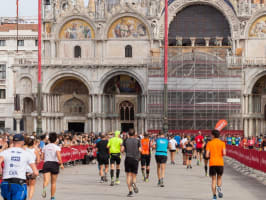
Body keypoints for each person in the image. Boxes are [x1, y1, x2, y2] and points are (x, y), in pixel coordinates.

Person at [0, 134, 39, 200]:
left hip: (5, 183)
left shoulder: (5, 152)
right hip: (19, 183)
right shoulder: (27, 154)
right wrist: (32, 176)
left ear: (13, 141)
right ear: (23, 142)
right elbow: (36, 172)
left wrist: (0, 172)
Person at [42, 132, 64, 200]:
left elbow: (42, 157)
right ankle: (52, 197)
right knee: (53, 182)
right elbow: (58, 155)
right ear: (56, 139)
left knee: (46, 180)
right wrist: (61, 164)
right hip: (54, 164)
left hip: (46, 163)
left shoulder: (45, 147)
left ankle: (44, 188)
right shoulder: (56, 147)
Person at [206, 130, 226, 200]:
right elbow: (224, 153)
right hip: (220, 163)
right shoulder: (222, 143)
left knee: (213, 180)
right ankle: (219, 188)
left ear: (213, 135)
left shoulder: (209, 143)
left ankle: (214, 196)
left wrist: (209, 156)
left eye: (211, 135)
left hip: (212, 163)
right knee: (219, 178)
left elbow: (207, 154)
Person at [122, 129, 141, 197]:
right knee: (134, 175)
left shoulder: (125, 140)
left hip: (128, 158)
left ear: (128, 134)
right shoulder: (138, 140)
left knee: (128, 175)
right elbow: (140, 150)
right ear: (134, 134)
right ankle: (134, 183)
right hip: (135, 159)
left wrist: (124, 151)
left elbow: (122, 150)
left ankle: (130, 191)